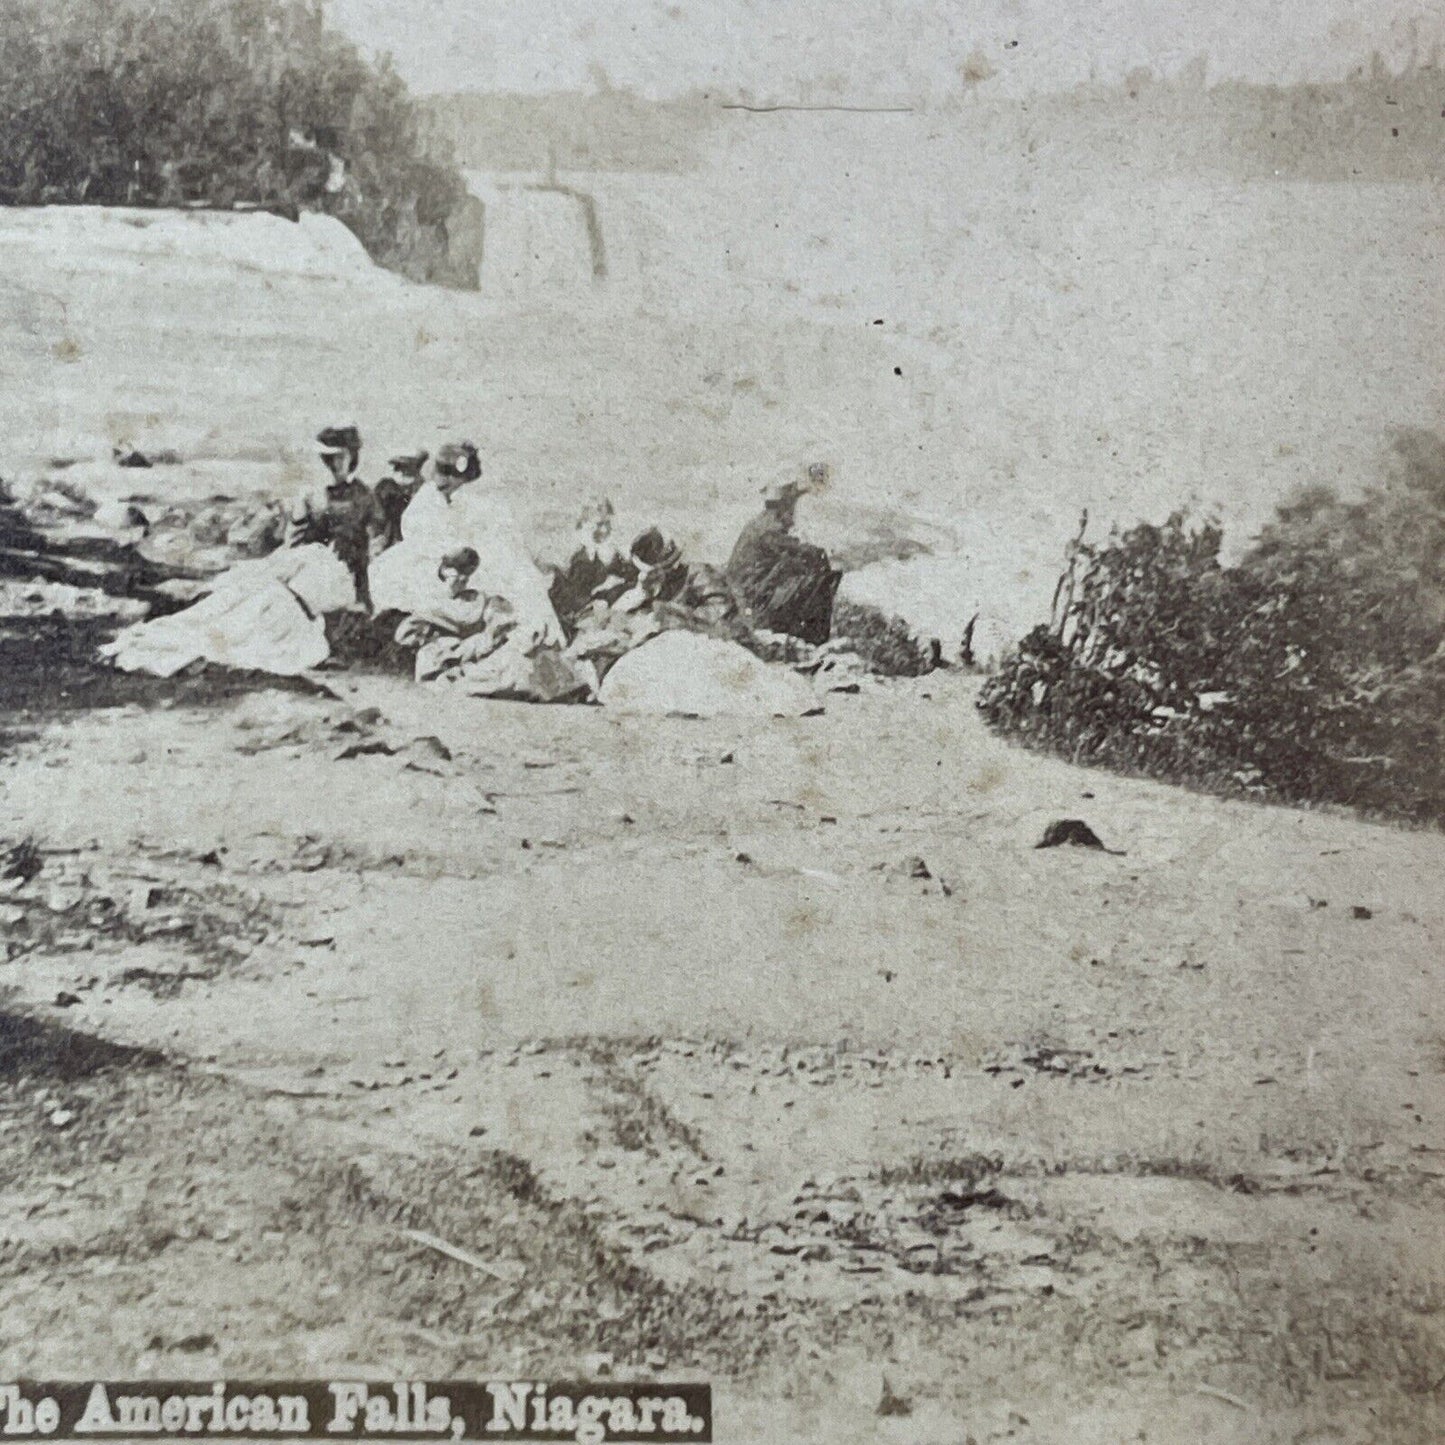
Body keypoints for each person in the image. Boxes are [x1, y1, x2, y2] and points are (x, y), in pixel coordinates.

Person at [370, 441, 565, 646]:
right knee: (390, 571)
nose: (445, 481)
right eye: (442, 474)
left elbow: (496, 539)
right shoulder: (429, 495)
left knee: (513, 581)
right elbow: (415, 530)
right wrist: (443, 552)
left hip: (476, 560)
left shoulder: (477, 501)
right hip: (438, 558)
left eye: (453, 476)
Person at [725, 467, 840, 644]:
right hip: (751, 604)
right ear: (786, 504)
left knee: (803, 570)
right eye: (792, 503)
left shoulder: (761, 522)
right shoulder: (770, 528)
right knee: (819, 574)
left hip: (744, 597)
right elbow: (806, 552)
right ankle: (814, 637)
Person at [286, 425, 379, 609]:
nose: (333, 464)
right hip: (312, 585)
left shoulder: (364, 496)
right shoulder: (310, 497)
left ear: (351, 457)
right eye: (326, 458)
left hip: (354, 587)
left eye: (339, 457)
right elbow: (293, 547)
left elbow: (374, 542)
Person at [371, 449, 428, 553]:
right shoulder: (385, 488)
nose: (402, 471)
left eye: (407, 467)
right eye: (399, 467)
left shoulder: (424, 490)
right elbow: (378, 519)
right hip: (387, 540)